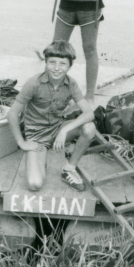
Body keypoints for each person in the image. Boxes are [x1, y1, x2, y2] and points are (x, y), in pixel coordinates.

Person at [6, 40, 96, 192]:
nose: (56, 68)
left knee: (89, 128)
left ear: (69, 66)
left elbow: (89, 113)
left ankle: (68, 169)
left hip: (57, 128)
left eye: (62, 64)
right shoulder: (34, 83)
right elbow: (12, 114)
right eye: (52, 62)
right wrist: (21, 142)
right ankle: (39, 159)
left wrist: (64, 131)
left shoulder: (71, 84)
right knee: (34, 184)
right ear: (45, 63)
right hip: (37, 135)